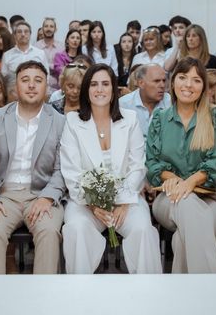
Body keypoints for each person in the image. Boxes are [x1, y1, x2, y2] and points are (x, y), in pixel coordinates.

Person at [60, 64, 161, 274]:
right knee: (77, 229)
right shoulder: (72, 122)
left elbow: (137, 165)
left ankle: (149, 293)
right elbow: (71, 170)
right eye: (94, 84)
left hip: (128, 200)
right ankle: (79, 292)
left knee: (143, 229)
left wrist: (123, 202)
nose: (100, 90)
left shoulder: (130, 119)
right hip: (86, 204)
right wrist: (93, 205)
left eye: (105, 84)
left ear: (113, 89)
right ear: (86, 89)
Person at [146, 58, 216, 273]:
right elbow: (152, 163)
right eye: (183, 77)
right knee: (186, 203)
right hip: (169, 196)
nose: (188, 85)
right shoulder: (160, 118)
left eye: (196, 80)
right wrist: (175, 180)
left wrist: (190, 182)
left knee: (181, 240)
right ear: (173, 82)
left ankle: (184, 298)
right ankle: (215, 293)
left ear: (204, 87)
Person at [0, 61, 66, 274]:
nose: (31, 86)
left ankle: (44, 302)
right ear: (16, 86)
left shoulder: (60, 122)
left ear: (47, 87)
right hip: (4, 195)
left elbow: (63, 169)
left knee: (49, 232)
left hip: (41, 194)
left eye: (38, 80)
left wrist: (48, 197)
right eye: (25, 80)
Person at [119, 64, 171, 137]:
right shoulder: (124, 104)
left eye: (164, 80)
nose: (162, 85)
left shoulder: (170, 102)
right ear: (141, 83)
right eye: (156, 81)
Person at [35, 17, 64, 92]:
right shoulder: (36, 47)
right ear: (42, 29)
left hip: (58, 88)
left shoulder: (62, 47)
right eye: (46, 26)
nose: (48, 29)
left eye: (51, 26)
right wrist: (54, 66)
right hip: (40, 86)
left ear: (55, 29)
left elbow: (63, 67)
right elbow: (35, 65)